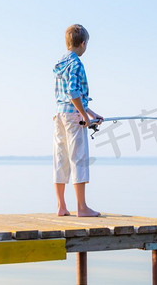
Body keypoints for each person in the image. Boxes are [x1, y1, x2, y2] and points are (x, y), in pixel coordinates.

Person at [52, 24, 103, 217]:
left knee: (61, 159)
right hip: (74, 117)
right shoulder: (76, 63)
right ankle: (82, 207)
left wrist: (90, 113)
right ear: (82, 44)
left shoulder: (60, 63)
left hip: (60, 115)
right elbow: (73, 92)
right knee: (78, 159)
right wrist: (83, 116)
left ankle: (61, 206)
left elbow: (71, 96)